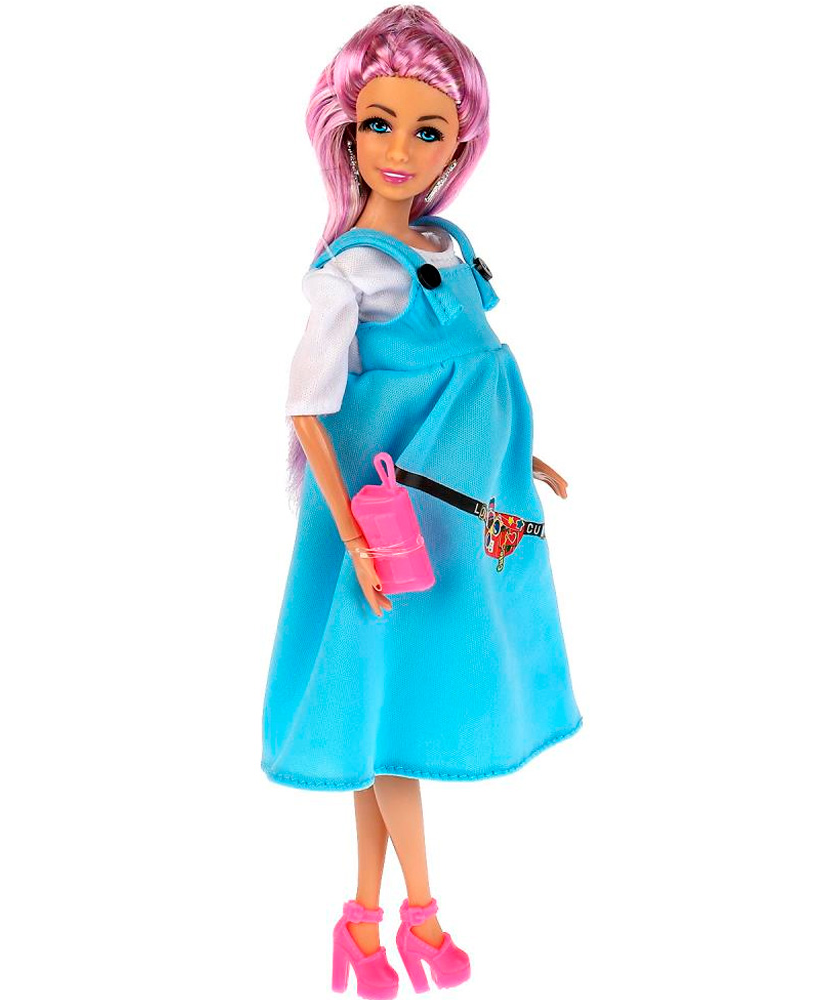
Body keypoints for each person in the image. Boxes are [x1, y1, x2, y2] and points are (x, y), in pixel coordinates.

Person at [260, 7, 583, 996]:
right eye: (378, 123)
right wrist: (353, 539)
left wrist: (518, 458)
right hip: (391, 531)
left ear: (459, 144)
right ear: (345, 130)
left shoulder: (446, 245)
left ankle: (362, 925)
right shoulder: (353, 271)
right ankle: (419, 916)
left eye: (427, 129)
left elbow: (471, 379)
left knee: (386, 712)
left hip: (461, 519)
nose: (398, 150)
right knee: (386, 716)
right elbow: (309, 407)